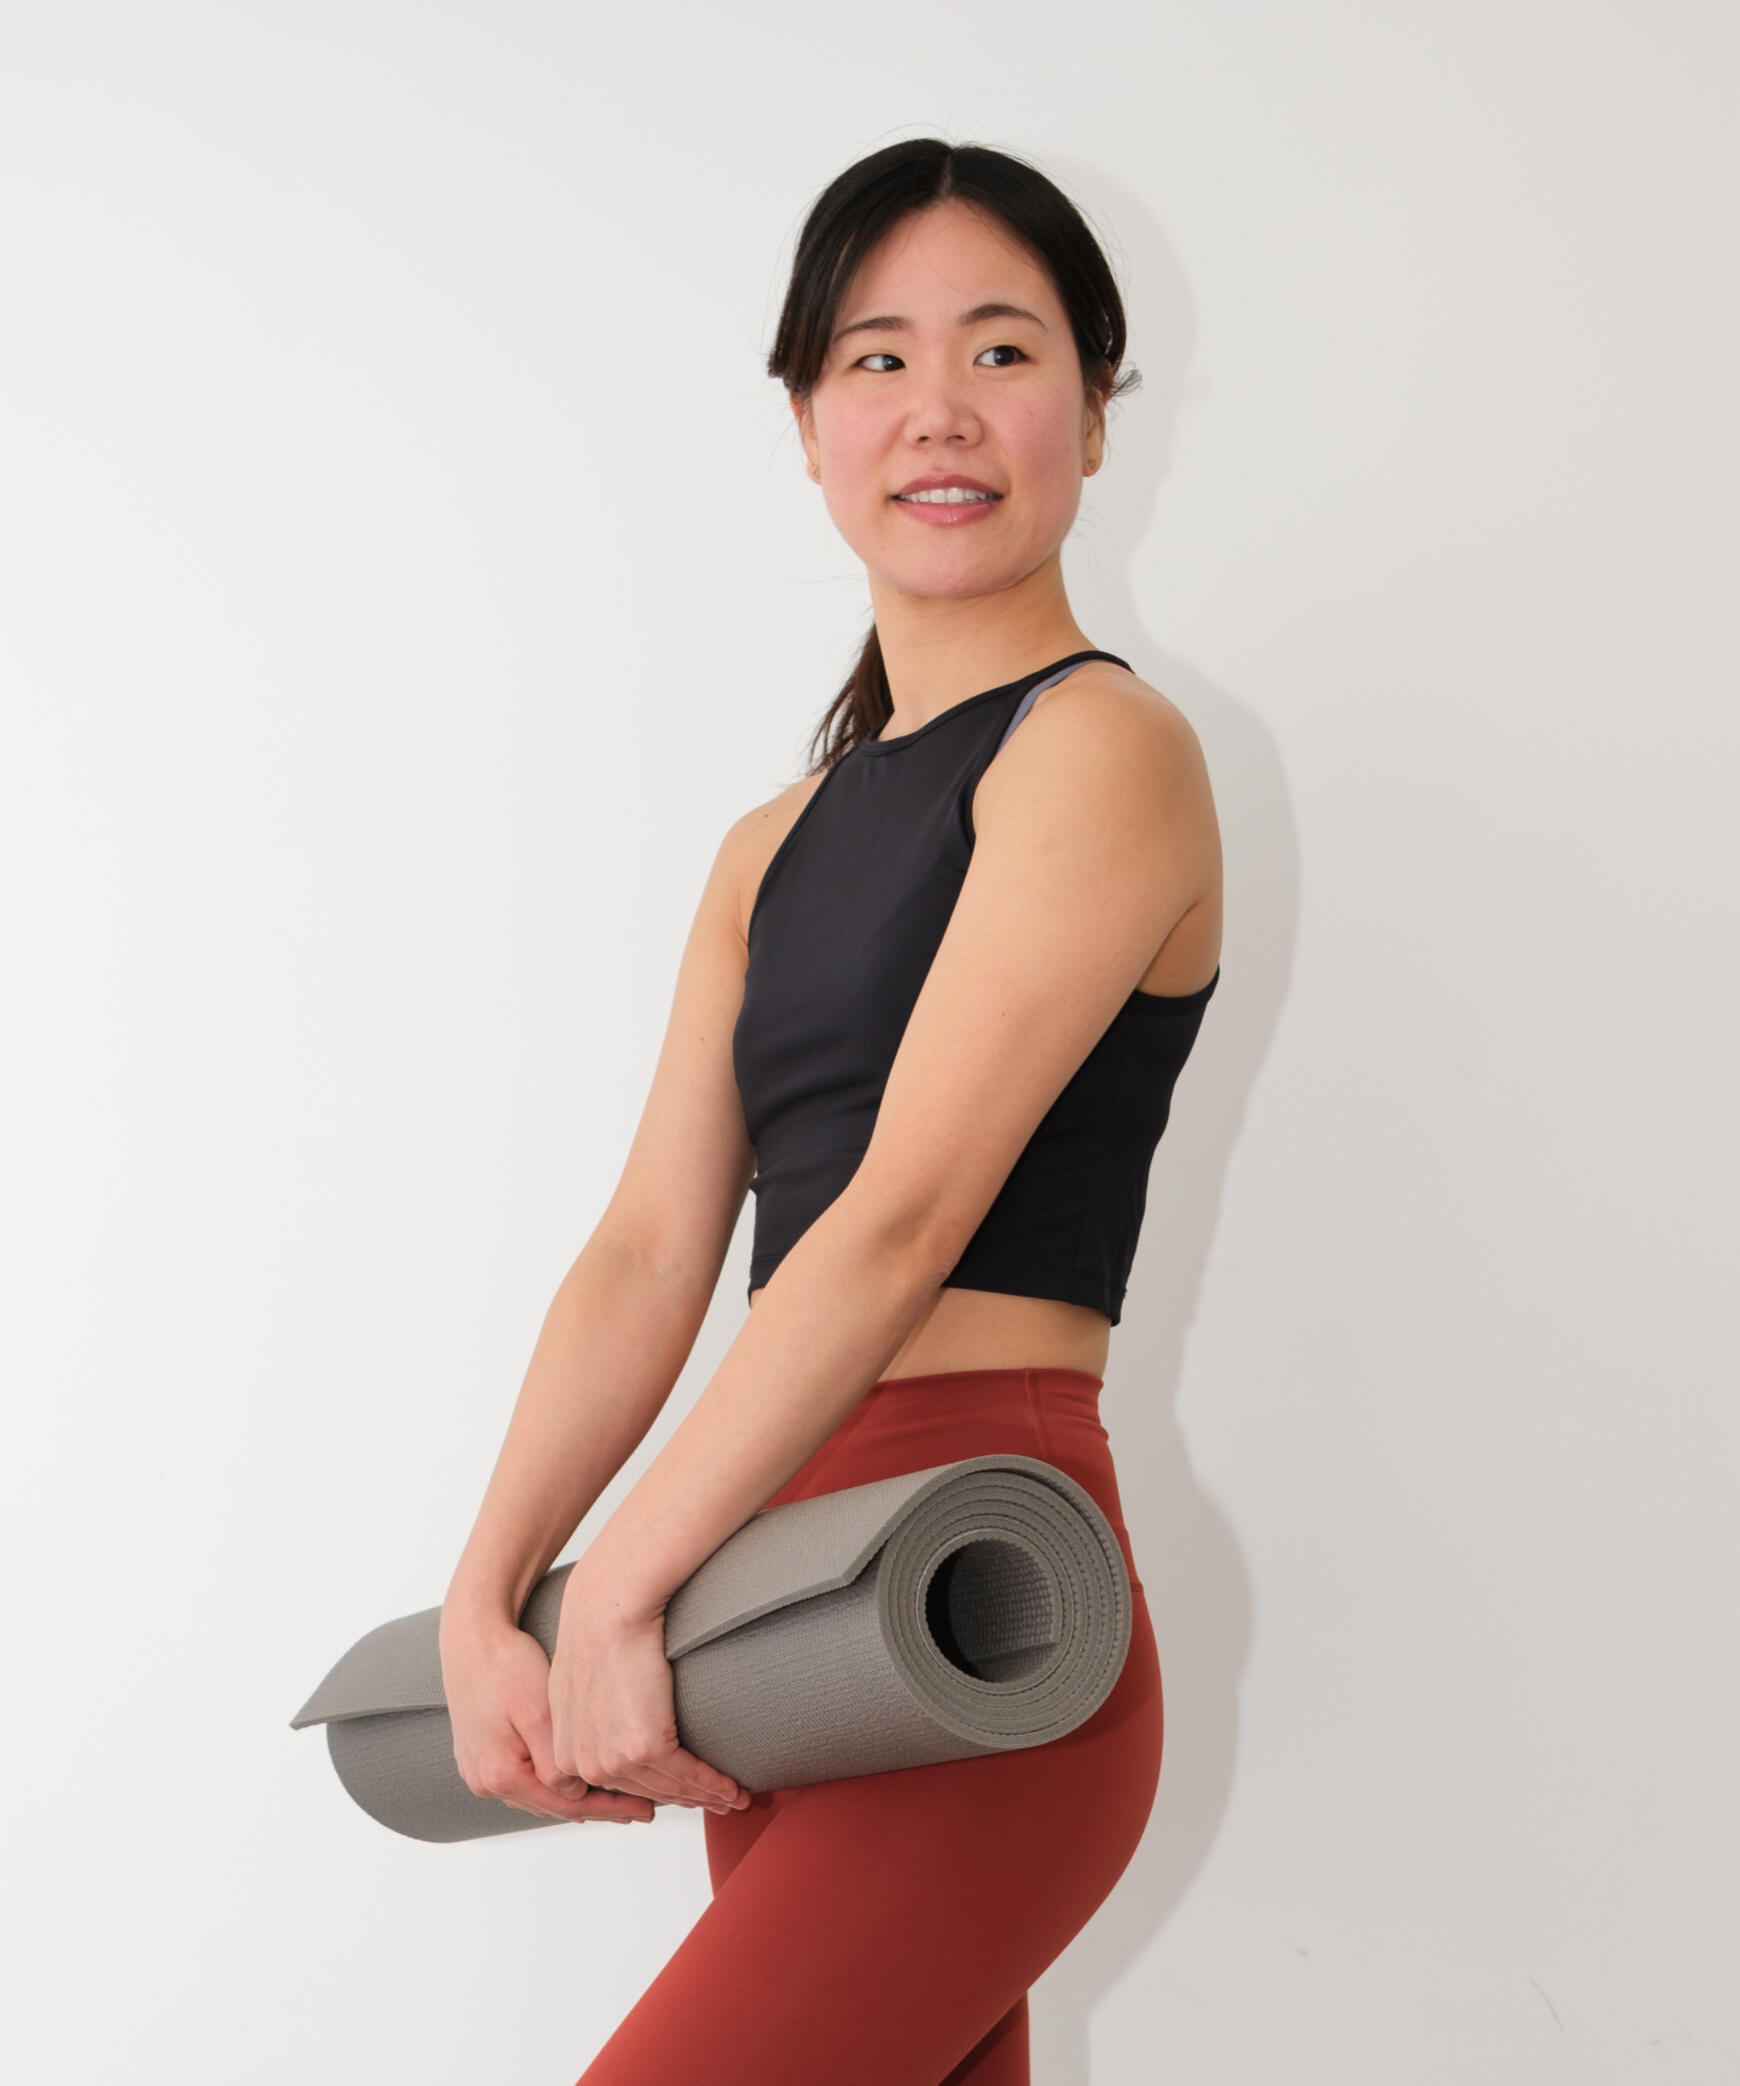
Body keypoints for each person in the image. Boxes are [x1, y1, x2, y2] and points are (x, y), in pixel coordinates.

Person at [438, 135, 1223, 2085]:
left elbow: (900, 1214)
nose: (937, 409)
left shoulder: (1104, 750)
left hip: (978, 1577)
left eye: (1002, 350)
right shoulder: (767, 846)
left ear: (1094, 415)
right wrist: (488, 1586)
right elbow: (647, 1248)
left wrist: (622, 1577)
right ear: (805, 423)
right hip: (776, 1610)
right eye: (877, 358)